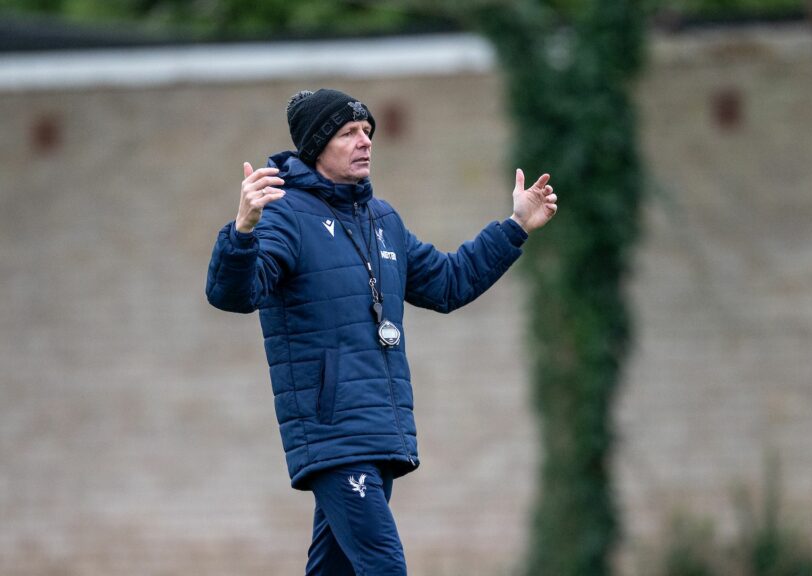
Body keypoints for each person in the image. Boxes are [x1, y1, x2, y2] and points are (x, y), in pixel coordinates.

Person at [205, 88, 557, 575]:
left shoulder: (383, 220)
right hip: (334, 435)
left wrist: (516, 225)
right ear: (317, 146)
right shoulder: (284, 214)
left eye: (367, 131)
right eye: (349, 133)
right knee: (384, 566)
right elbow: (234, 295)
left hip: (376, 432)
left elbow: (450, 283)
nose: (365, 141)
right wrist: (243, 230)